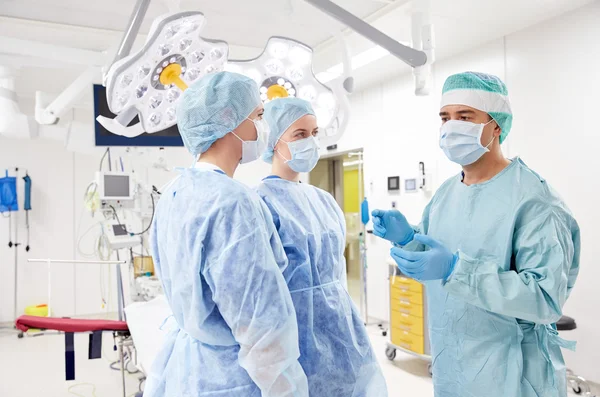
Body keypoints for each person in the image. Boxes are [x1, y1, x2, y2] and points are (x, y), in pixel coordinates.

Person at [372, 71, 580, 397]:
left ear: (496, 125)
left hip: (514, 374)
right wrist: (407, 239)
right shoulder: (444, 196)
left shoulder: (535, 201)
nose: (451, 126)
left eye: (464, 116)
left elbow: (545, 299)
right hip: (452, 367)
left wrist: (457, 271)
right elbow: (436, 255)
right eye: (445, 117)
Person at [145, 72, 309, 397]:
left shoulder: (174, 194)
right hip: (232, 379)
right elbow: (257, 318)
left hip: (188, 373)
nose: (262, 129)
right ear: (228, 120)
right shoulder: (232, 201)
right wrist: (287, 389)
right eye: (259, 117)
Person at [256, 97, 388, 397]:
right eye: (300, 135)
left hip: (340, 326)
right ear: (274, 142)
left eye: (314, 133)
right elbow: (260, 289)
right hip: (290, 334)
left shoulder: (324, 201)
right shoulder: (259, 202)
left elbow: (335, 274)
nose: (310, 142)